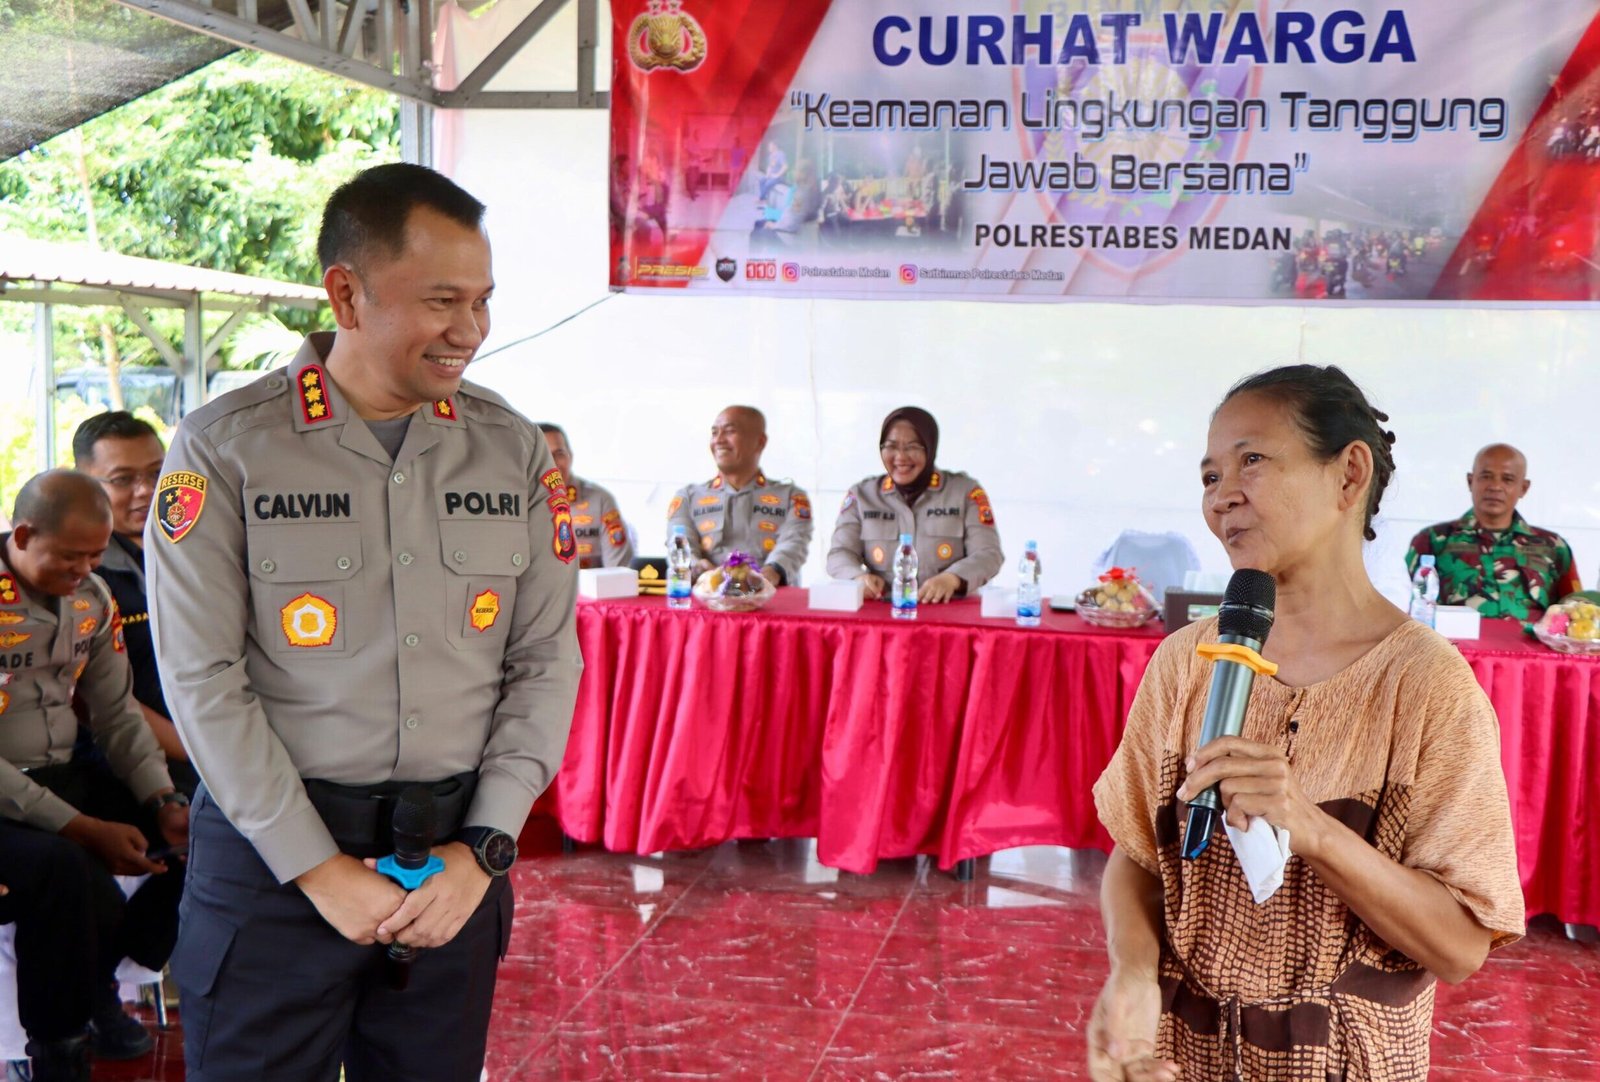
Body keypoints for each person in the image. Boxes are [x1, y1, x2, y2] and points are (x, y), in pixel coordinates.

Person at [145, 163, 582, 1081]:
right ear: (346, 292)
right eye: (441, 300)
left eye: (483, 301)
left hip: (452, 870)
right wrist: (317, 869)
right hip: (273, 874)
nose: (470, 331)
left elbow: (546, 658)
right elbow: (201, 679)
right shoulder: (227, 449)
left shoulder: (510, 450)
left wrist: (485, 850)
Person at [1089, 366, 1524, 1081]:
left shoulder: (1428, 687)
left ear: (1349, 474)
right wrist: (1133, 971)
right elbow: (1138, 853)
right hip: (1181, 1052)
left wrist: (1312, 828)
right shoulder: (1185, 662)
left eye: (1251, 460)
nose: (1222, 494)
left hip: (1345, 1060)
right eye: (1208, 475)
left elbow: (1460, 947)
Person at [0, 470, 188, 1075]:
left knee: (208, 822)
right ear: (23, 534)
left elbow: (117, 717)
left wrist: (161, 798)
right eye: (69, 557)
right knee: (65, 868)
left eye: (94, 556)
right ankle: (58, 1053)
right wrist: (81, 828)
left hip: (60, 772)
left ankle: (113, 967)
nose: (84, 570)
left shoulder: (93, 601)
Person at [71, 411, 196, 796]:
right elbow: (92, 697)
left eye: (157, 473)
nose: (145, 490)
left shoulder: (194, 550)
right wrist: (201, 753)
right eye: (123, 480)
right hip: (129, 768)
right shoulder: (79, 576)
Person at [826, 406, 1003, 602]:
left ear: (930, 448)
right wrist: (858, 577)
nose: (901, 457)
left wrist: (953, 579)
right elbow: (839, 553)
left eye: (912, 447)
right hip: (884, 614)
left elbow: (989, 553)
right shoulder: (862, 495)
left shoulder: (965, 492)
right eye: (891, 446)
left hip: (948, 613)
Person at [1405, 443, 1580, 620]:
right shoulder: (1433, 540)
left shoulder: (1553, 546)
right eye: (1486, 476)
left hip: (1531, 647)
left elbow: (1577, 613)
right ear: (1470, 481)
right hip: (1454, 647)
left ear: (1523, 488)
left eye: (1508, 479)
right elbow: (1405, 607)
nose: (1495, 486)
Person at [666, 406, 812, 586]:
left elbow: (793, 544)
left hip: (770, 601)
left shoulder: (791, 497)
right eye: (714, 432)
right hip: (707, 601)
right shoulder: (688, 497)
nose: (719, 440)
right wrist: (698, 567)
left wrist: (768, 574)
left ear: (760, 442)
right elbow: (679, 545)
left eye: (729, 431)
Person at [537, 423, 634, 569]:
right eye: (544, 456)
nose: (553, 464)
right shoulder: (517, 504)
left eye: (559, 454)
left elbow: (618, 572)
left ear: (571, 457)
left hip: (589, 591)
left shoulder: (600, 501)